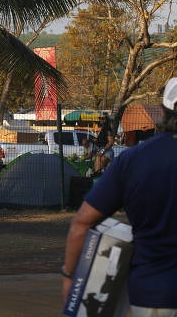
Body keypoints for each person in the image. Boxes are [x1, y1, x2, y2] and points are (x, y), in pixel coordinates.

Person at [62, 77, 177, 316]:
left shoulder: (134, 159)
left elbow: (82, 223)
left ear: (164, 111)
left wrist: (70, 276)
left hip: (153, 293)